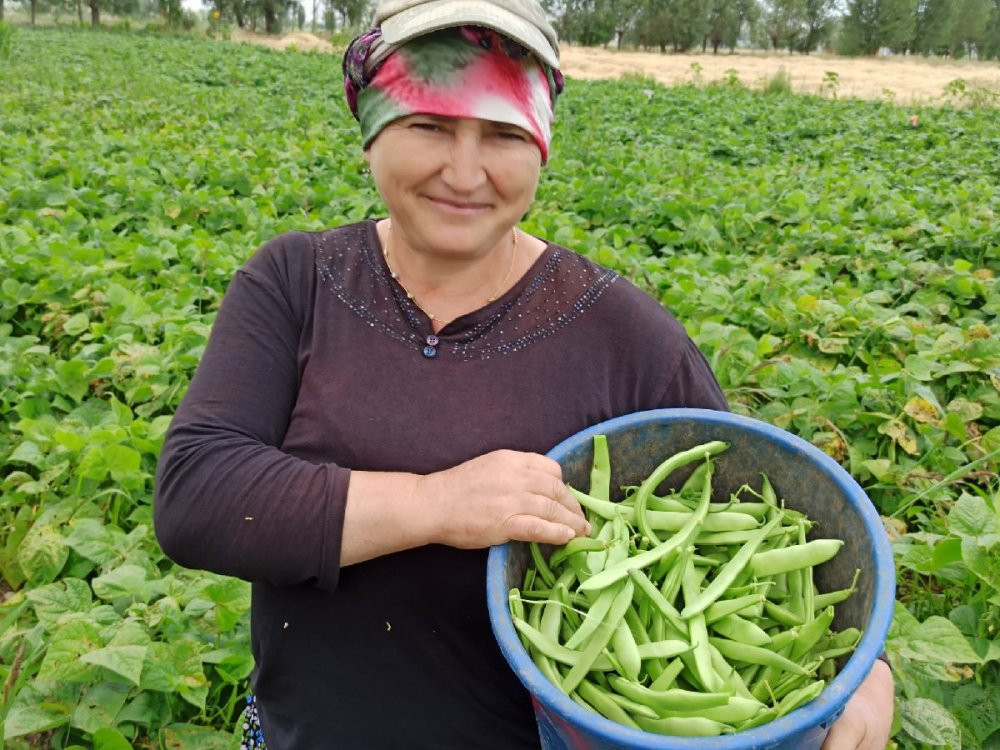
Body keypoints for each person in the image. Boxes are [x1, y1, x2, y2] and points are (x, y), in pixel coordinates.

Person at [153, 0, 894, 747]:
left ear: (540, 145)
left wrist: (866, 672)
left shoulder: (624, 335)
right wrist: (438, 504)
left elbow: (756, 527)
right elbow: (198, 497)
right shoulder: (297, 281)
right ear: (372, 131)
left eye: (504, 133)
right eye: (429, 125)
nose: (465, 171)